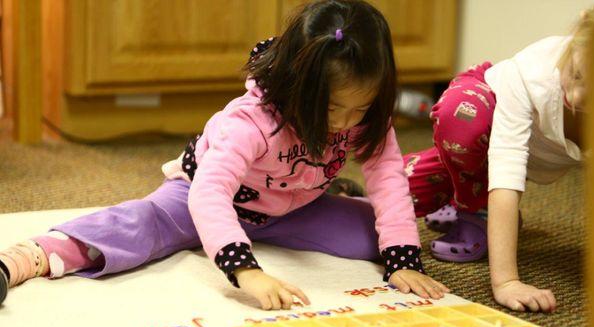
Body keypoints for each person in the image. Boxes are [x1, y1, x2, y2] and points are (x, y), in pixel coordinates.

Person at [0, 0, 449, 309]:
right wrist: (244, 268)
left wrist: (401, 259)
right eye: (333, 110)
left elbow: (389, 177)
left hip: (292, 204)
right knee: (138, 227)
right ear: (298, 87)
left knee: (376, 235)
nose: (347, 123)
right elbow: (210, 194)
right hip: (203, 197)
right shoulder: (251, 121)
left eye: (361, 109)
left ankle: (322, 199)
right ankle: (28, 256)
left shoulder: (364, 117)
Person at [399, 4, 594, 313]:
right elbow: (507, 171)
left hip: (516, 159)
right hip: (481, 112)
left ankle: (466, 195)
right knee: (391, 203)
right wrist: (506, 282)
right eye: (577, 74)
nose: (578, 98)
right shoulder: (534, 74)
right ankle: (472, 205)